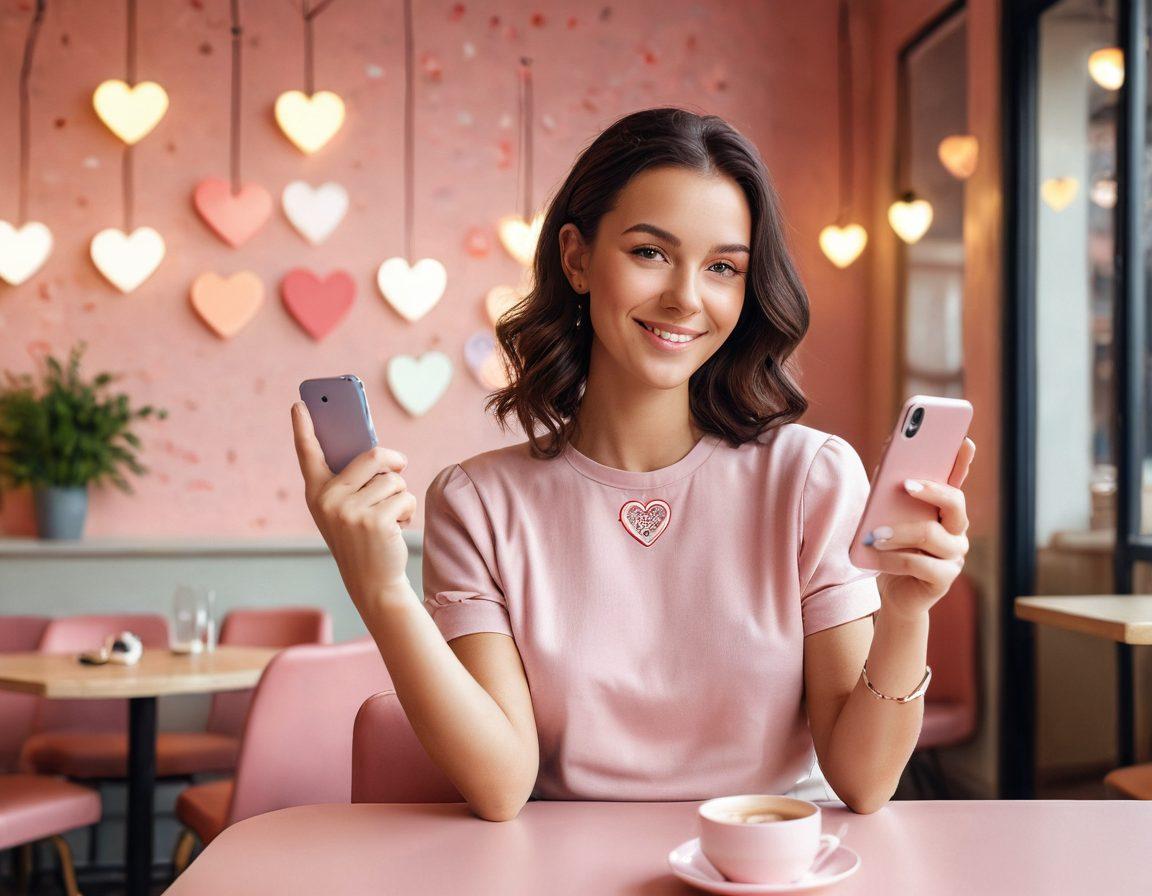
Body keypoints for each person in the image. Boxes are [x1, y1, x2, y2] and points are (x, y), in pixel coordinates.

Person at [291, 107, 976, 821]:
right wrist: (381, 591)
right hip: (561, 872)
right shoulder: (477, 501)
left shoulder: (810, 478)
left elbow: (863, 783)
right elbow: (501, 787)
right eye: (650, 252)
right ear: (577, 257)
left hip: (766, 866)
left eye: (722, 268)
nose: (685, 297)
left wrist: (906, 612)